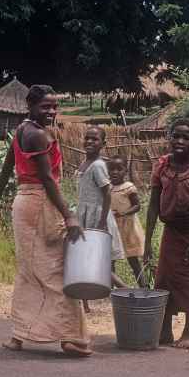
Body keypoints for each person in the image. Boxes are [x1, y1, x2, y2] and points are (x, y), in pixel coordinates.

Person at [0, 84, 92, 356]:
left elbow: (8, 166)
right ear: (30, 106)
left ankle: (21, 334)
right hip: (39, 203)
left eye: (54, 107)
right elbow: (46, 179)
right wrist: (69, 216)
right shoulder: (37, 135)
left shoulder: (22, 130)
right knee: (54, 270)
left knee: (31, 270)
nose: (51, 111)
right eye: (45, 106)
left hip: (26, 203)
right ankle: (68, 336)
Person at [143, 118, 189, 348]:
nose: (180, 141)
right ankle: (164, 331)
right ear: (169, 137)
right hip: (171, 229)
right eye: (176, 136)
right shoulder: (161, 166)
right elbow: (153, 206)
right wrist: (147, 243)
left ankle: (188, 332)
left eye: (186, 137)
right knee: (165, 279)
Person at [73, 126, 126, 312]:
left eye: (94, 139)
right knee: (84, 260)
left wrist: (101, 223)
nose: (89, 142)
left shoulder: (98, 166)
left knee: (98, 263)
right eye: (87, 138)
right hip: (85, 217)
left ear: (103, 144)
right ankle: (84, 303)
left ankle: (128, 293)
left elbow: (107, 194)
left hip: (97, 219)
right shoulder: (84, 164)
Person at [108, 156, 146, 285]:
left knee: (133, 259)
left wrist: (123, 213)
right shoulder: (107, 188)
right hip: (113, 228)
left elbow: (137, 206)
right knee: (111, 259)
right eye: (111, 169)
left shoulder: (128, 187)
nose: (115, 172)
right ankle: (111, 289)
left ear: (125, 171)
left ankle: (144, 287)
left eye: (119, 169)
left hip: (128, 228)